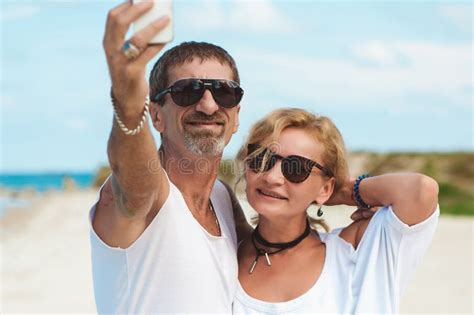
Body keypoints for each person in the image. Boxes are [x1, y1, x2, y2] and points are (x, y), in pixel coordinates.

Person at [89, 1, 250, 313]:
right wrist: (127, 100)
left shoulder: (222, 197)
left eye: (224, 92)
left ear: (236, 114)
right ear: (156, 115)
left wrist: (348, 191)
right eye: (187, 91)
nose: (208, 105)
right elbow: (133, 183)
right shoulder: (144, 197)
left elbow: (275, 257)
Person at [233, 108, 439, 313]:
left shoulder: (354, 252)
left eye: (296, 168)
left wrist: (348, 191)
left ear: (326, 188)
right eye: (261, 160)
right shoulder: (226, 256)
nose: (271, 177)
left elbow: (420, 191)